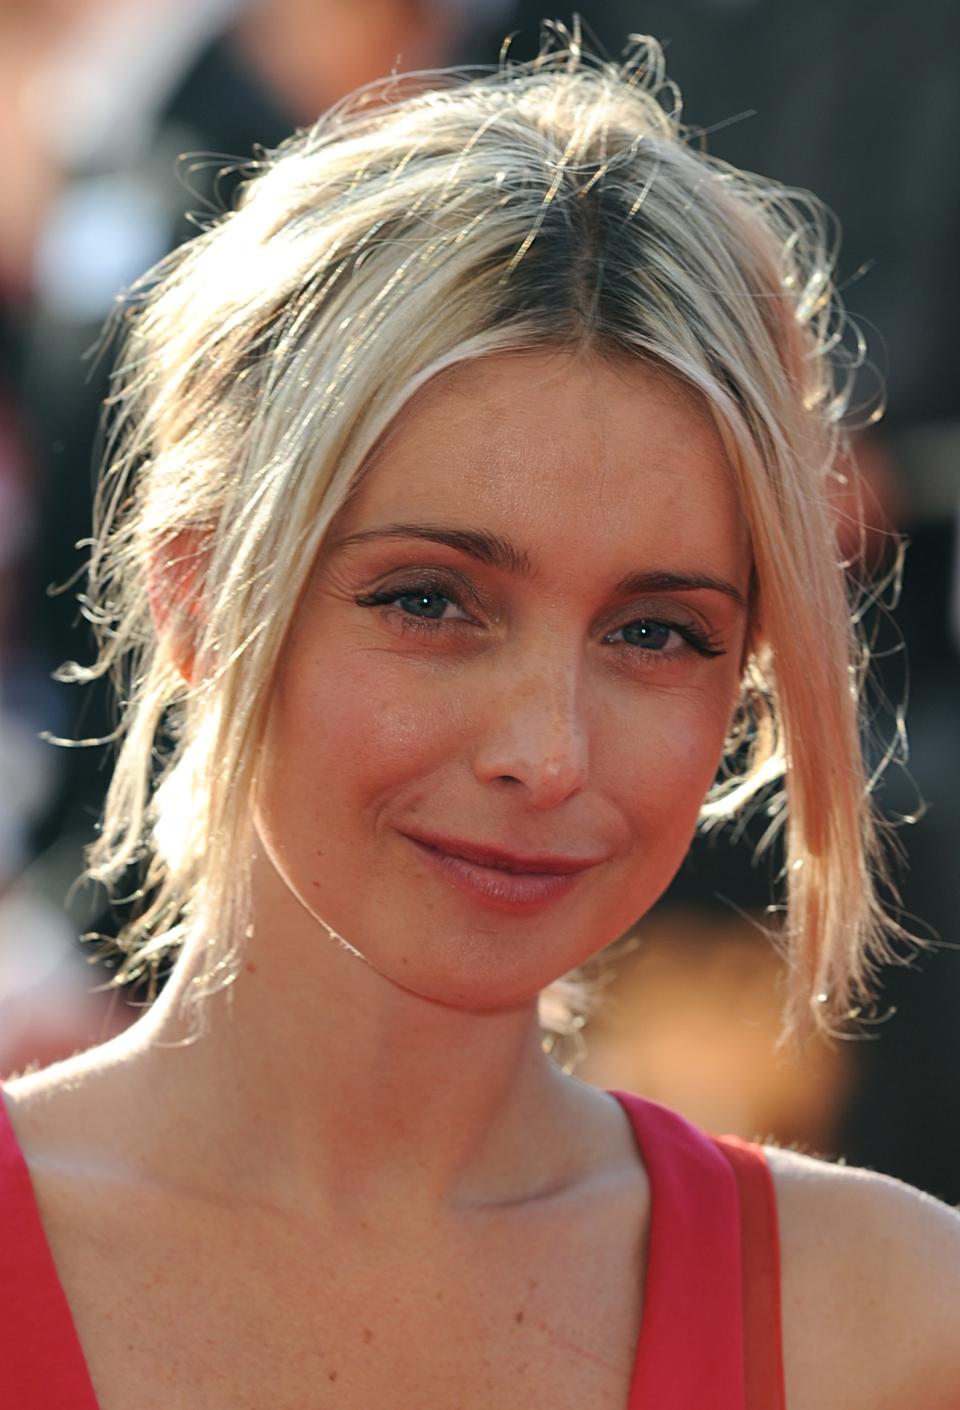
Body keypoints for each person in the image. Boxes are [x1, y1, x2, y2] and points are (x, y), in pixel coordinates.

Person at [2, 29, 958, 1409]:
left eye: (656, 633)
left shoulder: (890, 1329)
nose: (547, 749)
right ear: (201, 593)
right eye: (432, 600)